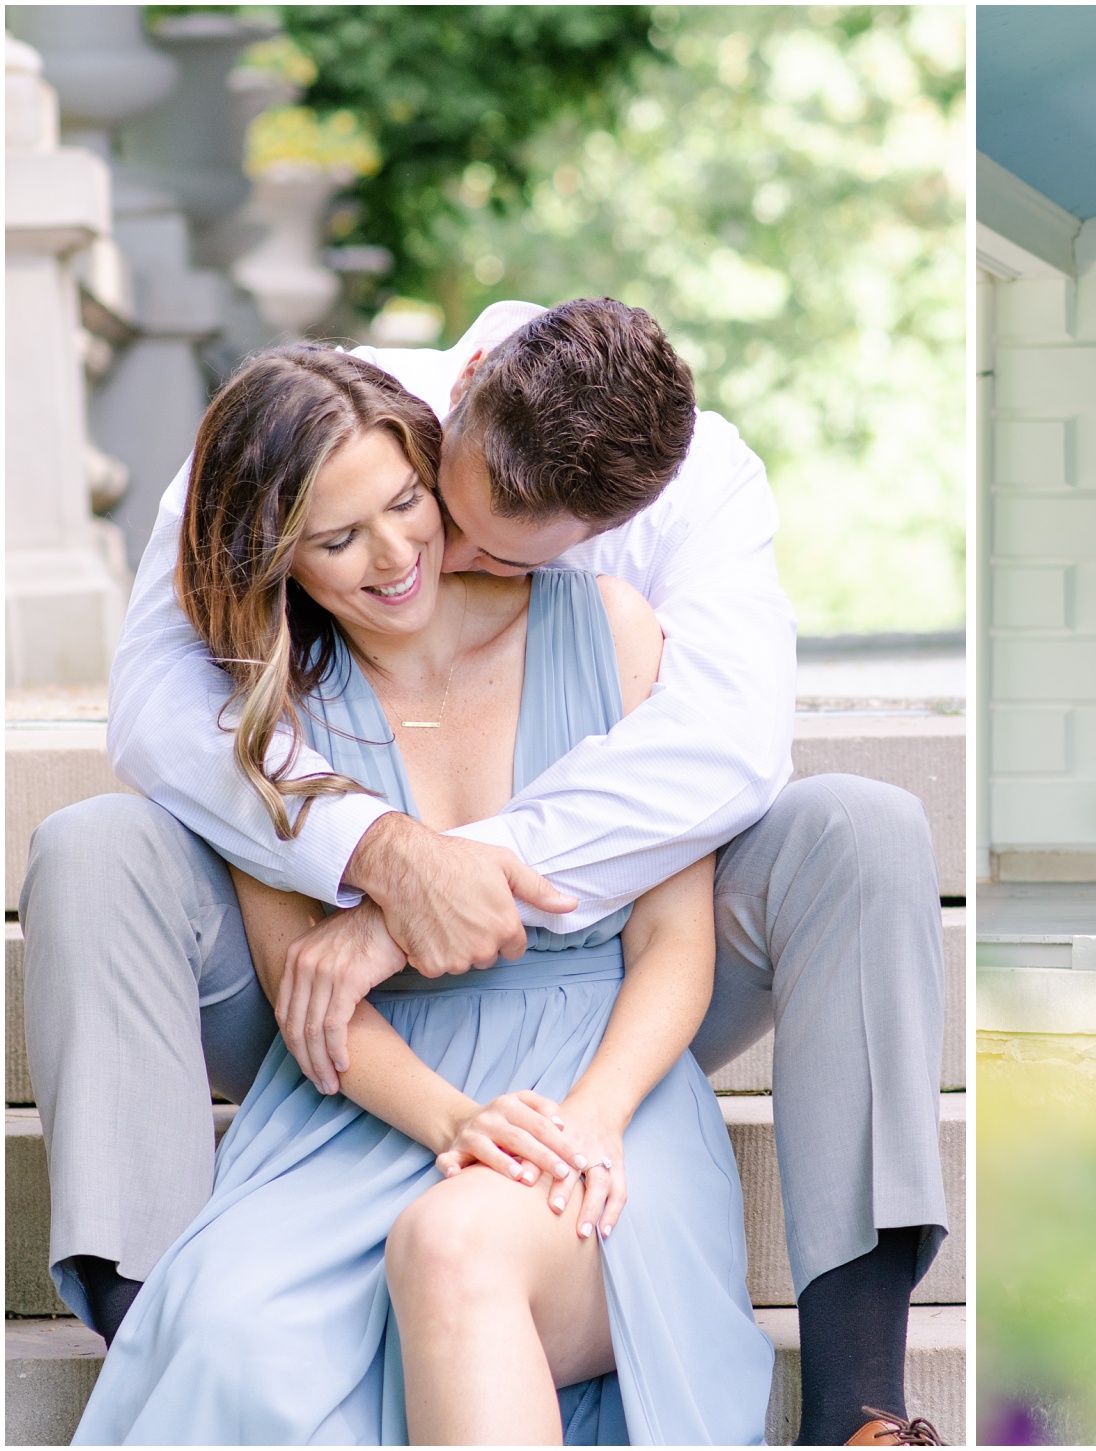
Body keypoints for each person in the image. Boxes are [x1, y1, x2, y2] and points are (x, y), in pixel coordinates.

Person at [23, 299, 947, 1446]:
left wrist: (437, 898)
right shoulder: (318, 470)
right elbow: (167, 713)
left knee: (863, 827)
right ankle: (163, 1327)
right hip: (355, 1058)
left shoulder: (640, 572)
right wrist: (370, 851)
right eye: (365, 527)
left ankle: (861, 1403)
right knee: (87, 846)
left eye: (453, 529)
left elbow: (719, 771)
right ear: (449, 402)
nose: (425, 553)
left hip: (587, 1017)